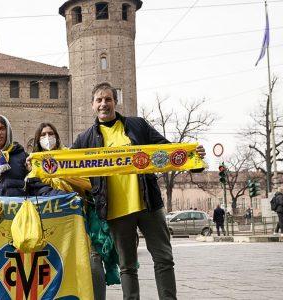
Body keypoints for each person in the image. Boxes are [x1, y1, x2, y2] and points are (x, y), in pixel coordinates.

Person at [71, 82, 206, 300]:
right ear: (92, 105)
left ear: (115, 102)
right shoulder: (84, 139)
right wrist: (38, 164)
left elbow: (167, 149)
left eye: (108, 99)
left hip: (148, 203)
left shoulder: (138, 126)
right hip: (116, 210)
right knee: (127, 266)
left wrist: (193, 157)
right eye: (99, 100)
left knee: (163, 258)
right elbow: (65, 165)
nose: (104, 104)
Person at [27, 122, 112, 300]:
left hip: (81, 221)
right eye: (43, 135)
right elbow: (33, 188)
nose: (47, 138)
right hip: (52, 225)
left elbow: (88, 183)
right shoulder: (35, 164)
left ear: (57, 137)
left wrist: (63, 173)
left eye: (51, 133)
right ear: (37, 140)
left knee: (92, 263)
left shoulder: (71, 158)